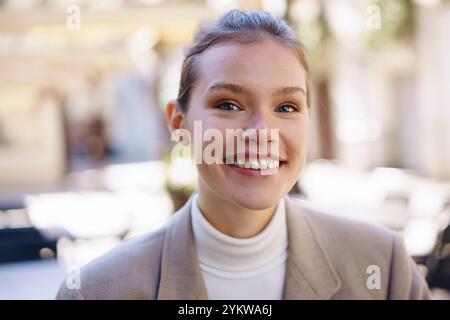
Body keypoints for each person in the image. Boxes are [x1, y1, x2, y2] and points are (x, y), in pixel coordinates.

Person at [56, 9, 430, 300]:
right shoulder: (96, 289)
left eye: (286, 107)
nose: (262, 134)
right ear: (178, 123)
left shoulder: (383, 267)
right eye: (229, 104)